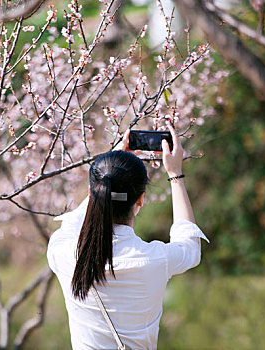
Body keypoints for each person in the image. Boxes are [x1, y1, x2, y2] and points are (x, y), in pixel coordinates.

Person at [47, 125, 209, 349]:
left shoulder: (64, 254)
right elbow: (190, 246)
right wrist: (176, 176)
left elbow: (71, 223)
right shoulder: (154, 260)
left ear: (92, 195)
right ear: (140, 200)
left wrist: (108, 176)